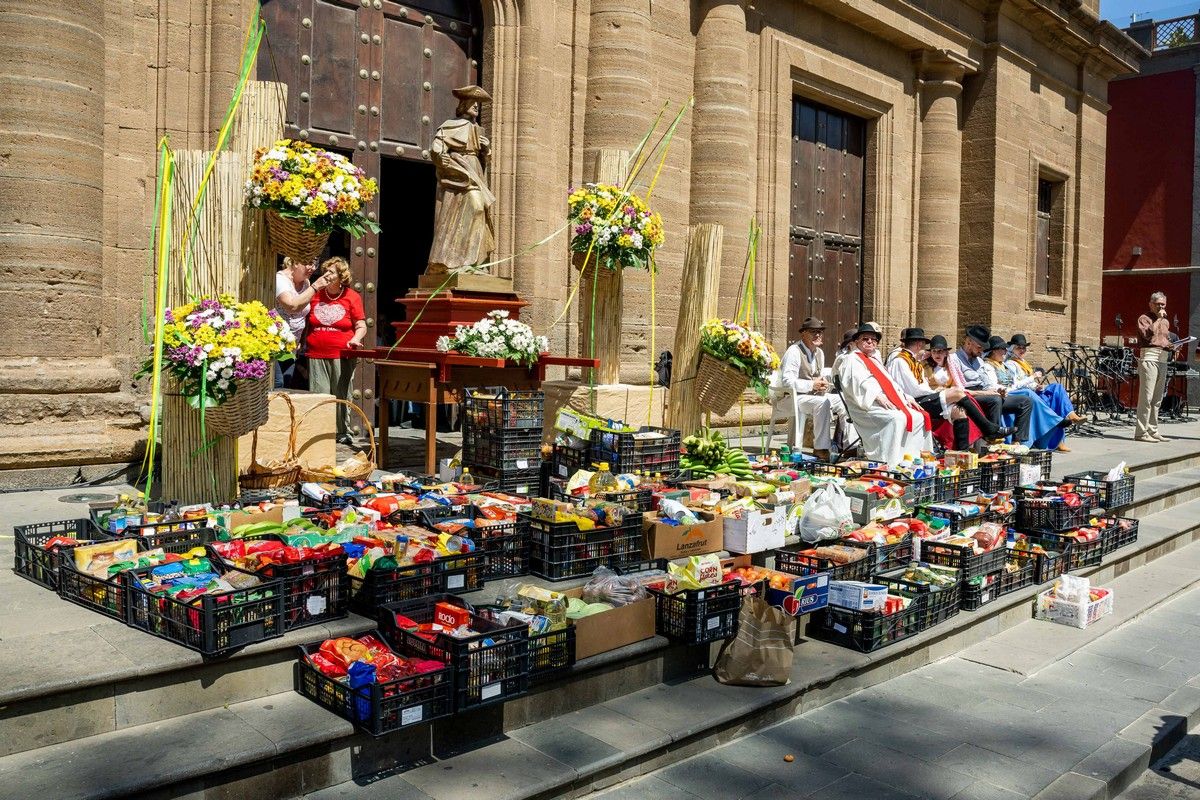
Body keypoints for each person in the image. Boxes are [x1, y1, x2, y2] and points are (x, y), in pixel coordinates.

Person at [836, 322, 931, 467]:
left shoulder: (874, 359)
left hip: (886, 402)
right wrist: (876, 396)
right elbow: (857, 383)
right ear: (856, 341)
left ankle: (914, 459)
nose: (870, 342)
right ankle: (891, 462)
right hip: (866, 406)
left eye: (873, 339)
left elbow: (890, 382)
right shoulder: (851, 359)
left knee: (919, 416)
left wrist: (905, 397)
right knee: (897, 419)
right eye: (865, 339)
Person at [426, 85, 495, 275]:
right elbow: (437, 147)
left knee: (480, 212)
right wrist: (441, 156)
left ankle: (473, 262)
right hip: (460, 170)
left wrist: (486, 150)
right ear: (464, 105)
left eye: (478, 106)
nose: (476, 108)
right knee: (476, 207)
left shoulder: (477, 129)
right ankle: (453, 261)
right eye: (474, 104)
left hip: (475, 169)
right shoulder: (450, 125)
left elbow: (485, 157)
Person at [885, 327, 979, 451]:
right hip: (912, 402)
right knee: (957, 393)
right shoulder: (900, 361)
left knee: (959, 411)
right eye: (924, 344)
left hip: (922, 397)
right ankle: (989, 428)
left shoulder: (914, 361)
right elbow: (914, 389)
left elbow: (921, 385)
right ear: (919, 344)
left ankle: (961, 453)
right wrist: (937, 393)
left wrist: (938, 393)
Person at [306, 257, 367, 444]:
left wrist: (355, 339)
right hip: (316, 352)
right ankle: (320, 433)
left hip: (341, 353)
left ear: (341, 276)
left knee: (341, 394)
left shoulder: (352, 296)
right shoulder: (316, 295)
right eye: (325, 271)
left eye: (331, 272)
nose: (327, 275)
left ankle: (342, 432)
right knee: (319, 393)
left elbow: (361, 325)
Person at [776, 317, 846, 460]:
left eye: (820, 332)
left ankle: (848, 445)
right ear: (803, 334)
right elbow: (787, 382)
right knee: (822, 403)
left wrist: (822, 385)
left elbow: (816, 378)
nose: (818, 335)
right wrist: (811, 385)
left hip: (812, 397)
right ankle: (820, 448)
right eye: (813, 332)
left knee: (844, 401)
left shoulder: (819, 353)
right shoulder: (794, 351)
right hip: (792, 397)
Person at [982, 336, 1067, 451]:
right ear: (993, 352)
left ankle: (1021, 440)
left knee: (1052, 389)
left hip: (1012, 392)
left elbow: (1015, 383)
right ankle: (1054, 420)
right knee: (1027, 394)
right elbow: (993, 386)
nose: (1004, 352)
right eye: (1002, 350)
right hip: (1001, 395)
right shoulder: (989, 366)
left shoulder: (1004, 366)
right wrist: (1031, 378)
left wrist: (1034, 384)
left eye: (1005, 349)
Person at [949, 324, 1031, 443]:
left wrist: (998, 390)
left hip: (986, 392)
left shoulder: (979, 360)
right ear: (968, 342)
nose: (981, 351)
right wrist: (989, 393)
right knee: (994, 400)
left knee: (1025, 401)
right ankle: (993, 437)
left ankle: (1017, 441)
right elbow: (959, 387)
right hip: (969, 395)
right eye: (979, 347)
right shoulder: (954, 359)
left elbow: (987, 382)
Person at [274, 257, 329, 388]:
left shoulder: (306, 283)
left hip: (292, 346)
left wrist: (301, 341)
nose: (313, 268)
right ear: (295, 261)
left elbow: (304, 314)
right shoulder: (280, 279)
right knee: (278, 383)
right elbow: (292, 306)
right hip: (274, 344)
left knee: (287, 384)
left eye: (315, 263)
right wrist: (315, 287)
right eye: (309, 263)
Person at [1006, 334, 1082, 427]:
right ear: (1012, 349)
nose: (1022, 350)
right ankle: (1058, 420)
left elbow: (1028, 382)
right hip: (1023, 395)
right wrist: (1033, 377)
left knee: (1057, 387)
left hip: (1032, 391)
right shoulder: (1010, 364)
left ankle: (1071, 414)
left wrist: (1036, 386)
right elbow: (1016, 385)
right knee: (1053, 396)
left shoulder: (1023, 362)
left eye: (1024, 348)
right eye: (1019, 348)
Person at [1135, 292, 1180, 442]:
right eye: (1158, 304)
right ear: (1151, 304)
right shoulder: (1144, 318)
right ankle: (1141, 433)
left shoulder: (1166, 322)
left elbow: (1163, 340)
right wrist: (1159, 318)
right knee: (1146, 398)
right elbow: (1148, 336)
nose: (1161, 306)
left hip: (1162, 358)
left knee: (1157, 399)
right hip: (1149, 356)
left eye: (1163, 304)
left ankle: (1153, 430)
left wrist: (1173, 346)